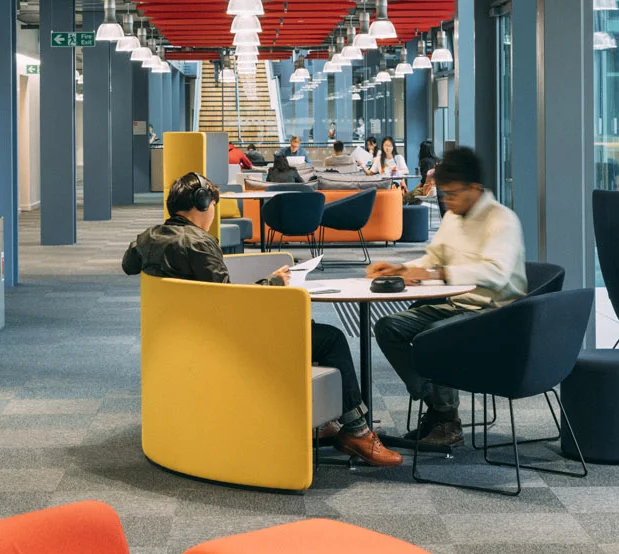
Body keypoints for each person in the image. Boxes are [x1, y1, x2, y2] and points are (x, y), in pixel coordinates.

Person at [122, 173, 400, 467]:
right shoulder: (201, 244)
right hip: (228, 339)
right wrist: (274, 282)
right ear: (203, 204)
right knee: (330, 338)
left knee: (310, 330)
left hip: (187, 335)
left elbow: (130, 265)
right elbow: (229, 305)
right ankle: (357, 431)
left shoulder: (149, 237)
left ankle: (323, 416)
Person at [368, 148, 527, 447]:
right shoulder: (454, 218)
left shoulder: (501, 220)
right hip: (455, 305)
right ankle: (438, 406)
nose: (447, 202)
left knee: (434, 338)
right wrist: (401, 268)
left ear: (475, 189)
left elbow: (495, 274)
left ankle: (446, 420)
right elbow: (433, 258)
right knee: (388, 327)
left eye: (453, 194)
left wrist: (438, 274)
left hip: (495, 314)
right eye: (444, 194)